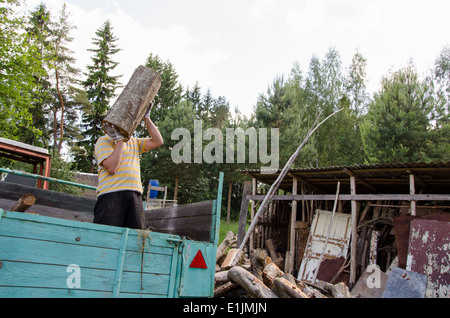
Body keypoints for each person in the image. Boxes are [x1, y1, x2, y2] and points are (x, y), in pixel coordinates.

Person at [93, 103, 163, 229]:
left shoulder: (134, 142)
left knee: (135, 239)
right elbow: (112, 167)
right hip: (111, 195)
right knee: (106, 239)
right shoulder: (104, 141)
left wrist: (146, 118)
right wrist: (120, 140)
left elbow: (158, 141)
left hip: (134, 196)